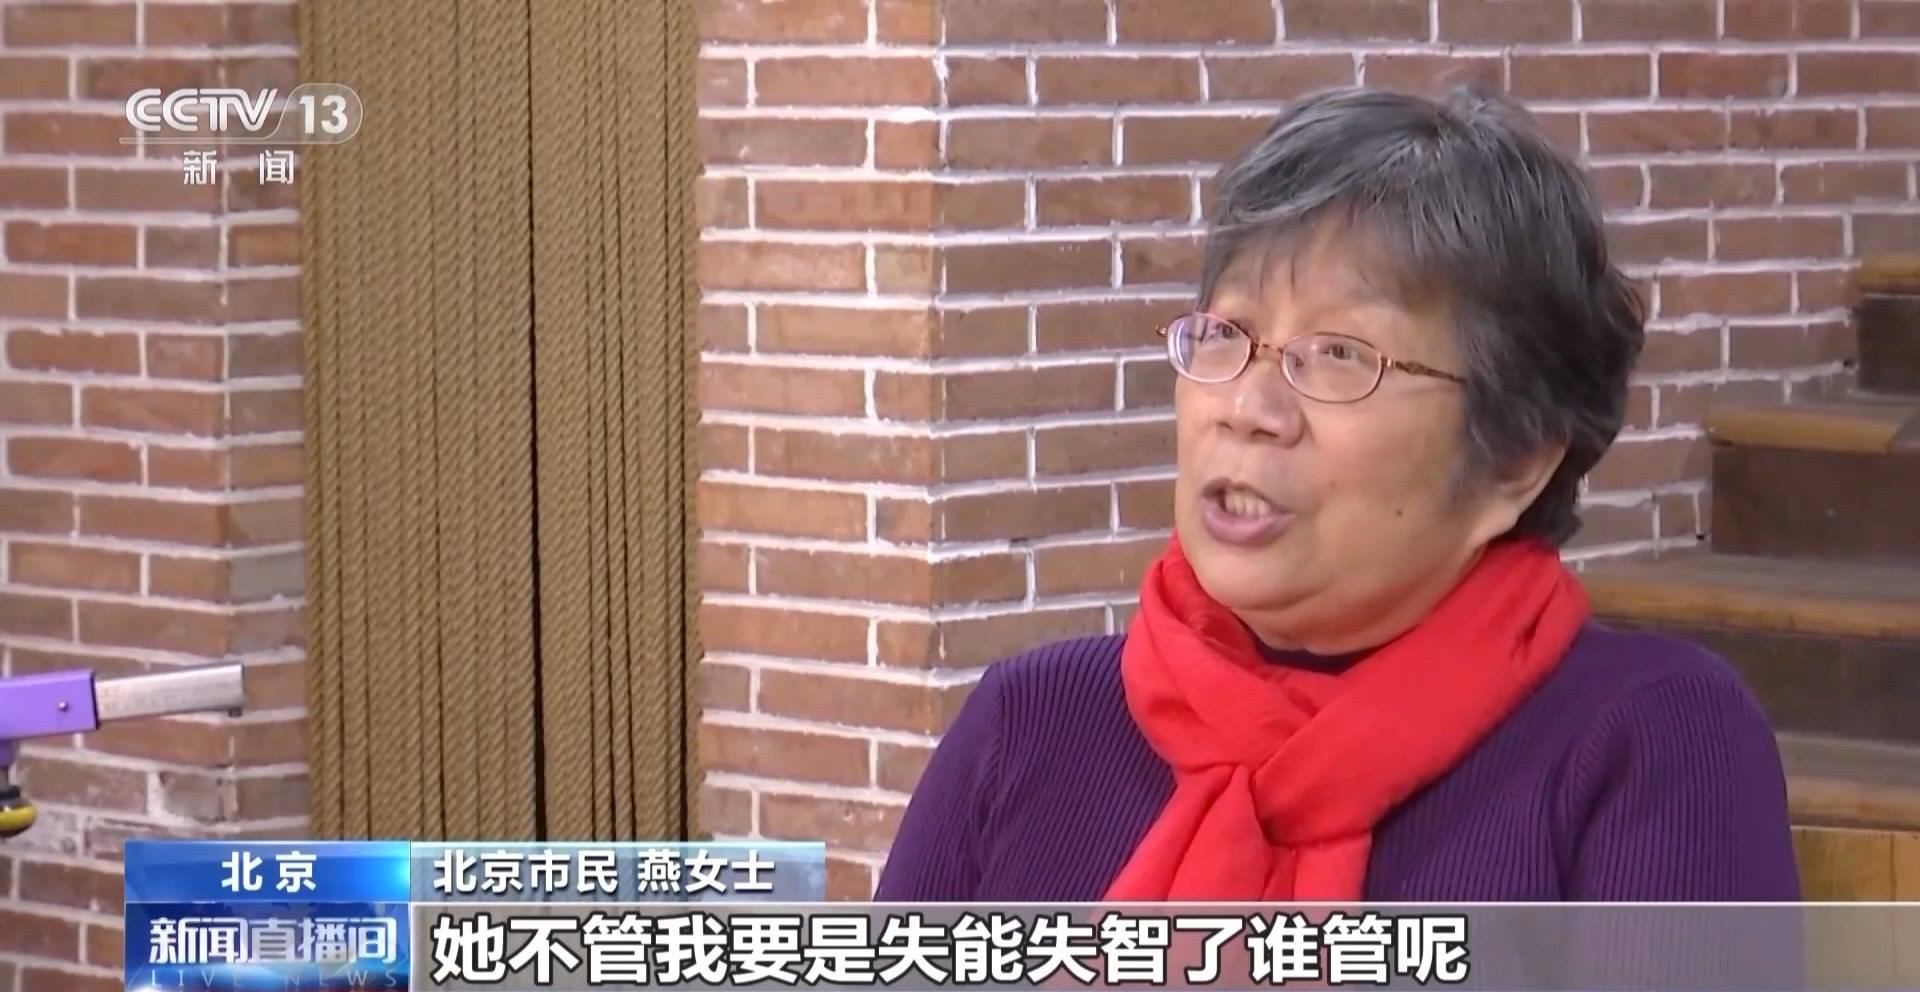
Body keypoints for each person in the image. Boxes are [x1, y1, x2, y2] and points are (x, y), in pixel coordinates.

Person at [874, 86, 1801, 903]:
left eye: (1339, 356)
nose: (1250, 409)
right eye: (1227, 334)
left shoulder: (1650, 740)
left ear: (1516, 460)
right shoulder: (1031, 722)